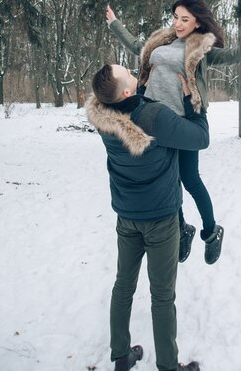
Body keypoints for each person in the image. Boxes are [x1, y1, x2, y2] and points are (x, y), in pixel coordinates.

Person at [106, 0, 241, 266]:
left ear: (196, 22)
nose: (178, 24)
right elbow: (137, 46)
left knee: (190, 179)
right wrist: (115, 24)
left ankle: (211, 231)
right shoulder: (162, 41)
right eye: (175, 18)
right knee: (168, 179)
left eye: (185, 19)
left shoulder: (201, 48)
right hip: (154, 117)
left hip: (183, 119)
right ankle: (182, 229)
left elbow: (236, 55)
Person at [86, 62, 209, 371]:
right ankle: (168, 366)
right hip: (161, 221)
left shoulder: (103, 118)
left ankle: (121, 356)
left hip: (126, 218)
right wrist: (191, 102)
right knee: (162, 296)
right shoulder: (156, 117)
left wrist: (138, 89)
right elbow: (200, 138)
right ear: (126, 90)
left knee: (123, 287)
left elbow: (129, 112)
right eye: (124, 70)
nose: (128, 67)